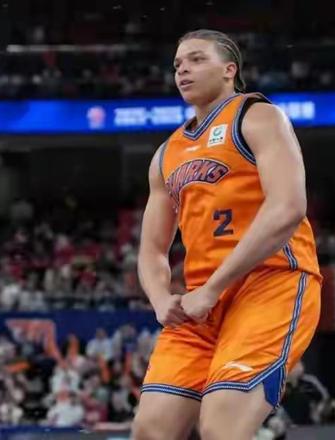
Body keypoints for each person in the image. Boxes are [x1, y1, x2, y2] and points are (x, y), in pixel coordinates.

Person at [132, 29, 321, 440]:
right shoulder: (166, 153)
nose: (183, 69)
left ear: (229, 70)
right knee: (151, 430)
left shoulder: (258, 117)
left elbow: (288, 208)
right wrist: (161, 299)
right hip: (201, 302)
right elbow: (151, 249)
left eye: (197, 59)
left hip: (271, 283)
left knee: (221, 427)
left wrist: (214, 286)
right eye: (177, 64)